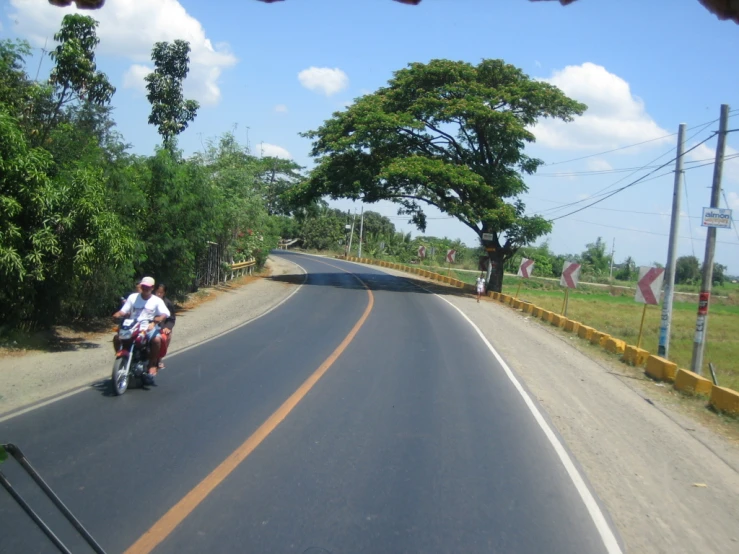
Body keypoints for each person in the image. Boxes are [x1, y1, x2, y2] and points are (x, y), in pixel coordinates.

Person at [112, 276, 170, 384]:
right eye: (143, 286)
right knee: (117, 338)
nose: (145, 288)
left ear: (152, 288)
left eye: (148, 287)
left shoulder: (156, 300)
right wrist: (118, 314)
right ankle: (122, 359)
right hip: (132, 325)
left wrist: (157, 320)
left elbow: (165, 313)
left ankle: (152, 364)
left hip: (148, 326)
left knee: (157, 340)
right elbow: (124, 311)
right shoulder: (133, 297)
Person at [154, 283, 176, 370]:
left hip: (161, 326)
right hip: (148, 326)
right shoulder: (150, 300)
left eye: (161, 293)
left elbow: (171, 318)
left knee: (165, 336)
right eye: (157, 292)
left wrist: (168, 327)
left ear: (164, 293)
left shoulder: (167, 303)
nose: (159, 294)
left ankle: (159, 359)